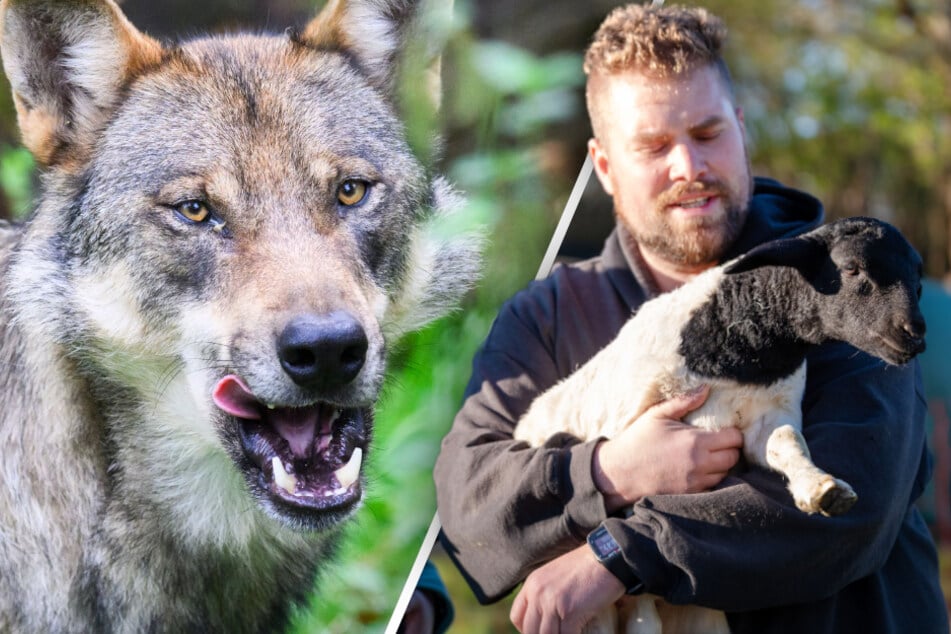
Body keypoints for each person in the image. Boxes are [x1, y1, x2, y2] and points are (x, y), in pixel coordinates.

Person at [433, 4, 948, 633]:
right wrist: (610, 470)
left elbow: (850, 510)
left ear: (740, 128)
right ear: (603, 167)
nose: (689, 168)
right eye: (652, 146)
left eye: (706, 134)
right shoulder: (548, 315)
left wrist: (619, 554)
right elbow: (469, 500)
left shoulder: (842, 283)